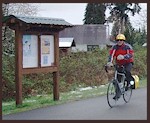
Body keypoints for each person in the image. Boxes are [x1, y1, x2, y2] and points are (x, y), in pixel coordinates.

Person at [106, 34, 134, 99]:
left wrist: (123, 57)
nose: (119, 41)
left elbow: (130, 54)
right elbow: (111, 55)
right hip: (119, 64)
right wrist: (109, 62)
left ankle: (129, 83)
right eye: (118, 40)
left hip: (128, 62)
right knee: (117, 79)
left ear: (123, 41)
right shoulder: (114, 47)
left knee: (127, 71)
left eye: (121, 40)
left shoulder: (127, 46)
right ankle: (118, 93)